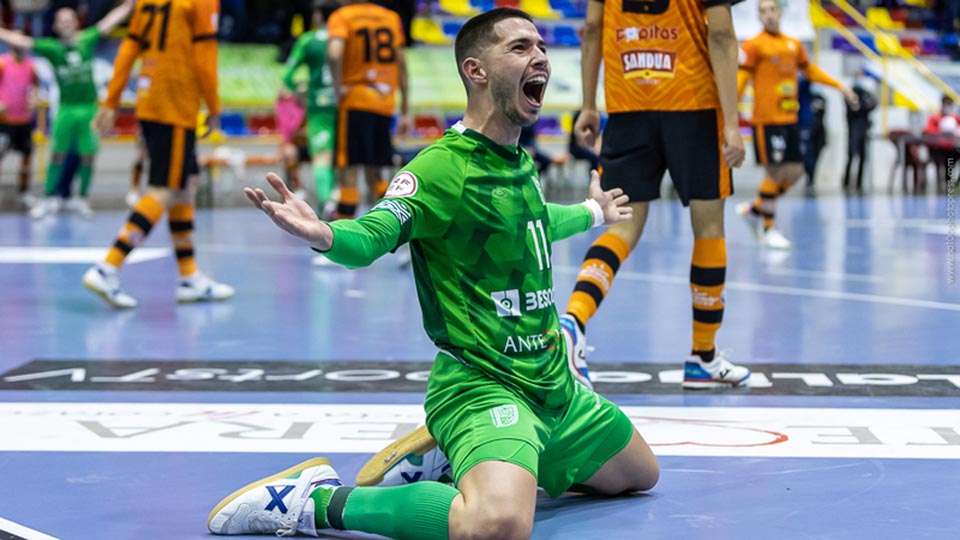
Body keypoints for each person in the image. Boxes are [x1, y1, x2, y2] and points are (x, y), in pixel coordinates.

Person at [207, 9, 659, 538]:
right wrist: (326, 234)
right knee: (498, 524)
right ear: (476, 70)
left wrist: (591, 214)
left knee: (640, 475)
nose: (538, 55)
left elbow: (529, 221)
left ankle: (460, 458)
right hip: (485, 385)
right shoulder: (440, 167)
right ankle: (313, 501)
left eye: (539, 45)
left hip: (555, 386)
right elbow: (376, 232)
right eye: (519, 47)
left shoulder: (517, 161)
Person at [558, 0, 752, 391]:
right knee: (709, 226)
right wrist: (732, 123)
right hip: (693, 103)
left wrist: (588, 106)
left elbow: (593, 30)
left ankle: (572, 321)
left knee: (622, 224)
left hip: (629, 104)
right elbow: (720, 33)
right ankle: (703, 356)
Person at [81, 0, 232, 309]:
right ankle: (108, 267)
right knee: (163, 188)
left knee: (185, 184)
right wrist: (215, 108)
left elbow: (128, 50)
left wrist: (111, 101)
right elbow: (205, 57)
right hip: (176, 103)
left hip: (150, 100)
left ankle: (189, 277)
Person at [735, 0, 857, 249]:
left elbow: (810, 70)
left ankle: (755, 208)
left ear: (780, 12)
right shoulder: (753, 45)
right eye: (763, 11)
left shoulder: (793, 45)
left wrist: (840, 86)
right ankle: (768, 228)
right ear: (759, 16)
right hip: (767, 120)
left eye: (772, 10)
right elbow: (741, 79)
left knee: (797, 171)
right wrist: (728, 115)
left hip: (791, 118)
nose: (768, 15)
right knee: (775, 171)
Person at [0, 2, 134, 220]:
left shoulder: (87, 39)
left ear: (76, 22)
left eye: (70, 20)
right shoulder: (52, 48)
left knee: (88, 155)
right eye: (62, 21)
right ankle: (49, 198)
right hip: (66, 108)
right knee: (58, 154)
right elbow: (21, 40)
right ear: (56, 26)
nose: (67, 24)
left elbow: (109, 23)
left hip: (88, 109)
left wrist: (129, 5)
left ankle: (81, 199)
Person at [327, 0, 410, 221]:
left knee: (349, 170)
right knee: (378, 169)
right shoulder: (391, 18)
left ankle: (344, 237)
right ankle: (390, 229)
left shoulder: (343, 16)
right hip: (384, 103)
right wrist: (405, 109)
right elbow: (402, 64)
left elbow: (335, 53)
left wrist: (337, 89)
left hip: (355, 100)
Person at [281, 0, 338, 214]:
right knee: (344, 159)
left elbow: (287, 76)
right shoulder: (345, 39)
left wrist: (299, 90)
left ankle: (327, 201)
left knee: (322, 156)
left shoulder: (308, 41)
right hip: (344, 104)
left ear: (318, 17)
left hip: (320, 106)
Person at [0, 46, 39, 210]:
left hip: (24, 121)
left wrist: (34, 99)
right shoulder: (2, 63)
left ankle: (24, 193)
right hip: (4, 121)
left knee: (27, 158)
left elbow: (36, 86)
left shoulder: (30, 65)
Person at [843, 77, 877, 193]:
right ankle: (846, 183)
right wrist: (863, 107)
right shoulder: (850, 94)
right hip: (853, 131)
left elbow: (872, 104)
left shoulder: (865, 94)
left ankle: (859, 183)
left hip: (863, 130)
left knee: (862, 158)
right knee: (851, 157)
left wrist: (862, 106)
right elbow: (855, 109)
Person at [923, 94, 960, 192]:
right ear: (942, 104)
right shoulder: (934, 117)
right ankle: (948, 183)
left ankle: (956, 184)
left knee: (953, 156)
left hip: (951, 147)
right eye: (947, 104)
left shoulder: (954, 118)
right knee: (948, 158)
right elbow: (928, 130)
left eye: (950, 104)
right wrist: (941, 130)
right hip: (937, 148)